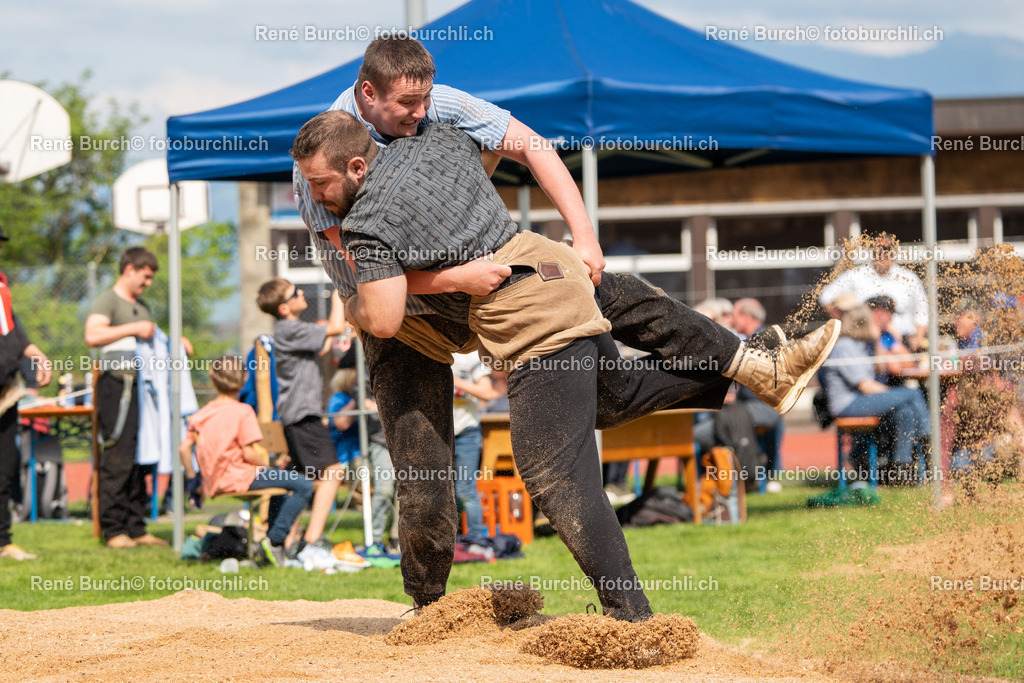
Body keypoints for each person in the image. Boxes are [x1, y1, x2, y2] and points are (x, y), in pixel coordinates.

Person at [292, 111, 840, 620]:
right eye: (311, 185)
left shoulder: (424, 126)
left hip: (514, 299)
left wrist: (359, 304)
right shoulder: (399, 147)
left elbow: (382, 312)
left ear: (361, 159)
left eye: (322, 184)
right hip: (508, 284)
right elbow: (514, 150)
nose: (315, 197)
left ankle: (630, 616)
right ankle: (755, 363)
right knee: (611, 386)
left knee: (552, 468)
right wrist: (552, 246)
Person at [84, 247, 178, 549]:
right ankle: (114, 530)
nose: (148, 282)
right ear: (129, 270)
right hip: (117, 388)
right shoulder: (108, 301)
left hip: (142, 390)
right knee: (118, 457)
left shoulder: (141, 305)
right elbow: (93, 335)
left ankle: (136, 527)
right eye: (146, 276)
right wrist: (134, 328)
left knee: (142, 456)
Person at [179, 356, 313, 566]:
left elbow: (184, 449)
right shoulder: (243, 411)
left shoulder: (201, 415)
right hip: (241, 476)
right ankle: (275, 540)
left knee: (280, 483)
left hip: (215, 481)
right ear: (243, 383)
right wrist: (265, 463)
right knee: (303, 484)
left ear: (213, 382)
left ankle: (269, 542)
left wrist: (193, 480)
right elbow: (249, 452)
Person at [256, 278, 348, 568]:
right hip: (302, 415)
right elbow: (334, 328)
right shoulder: (288, 328)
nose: (300, 293)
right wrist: (339, 296)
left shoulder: (288, 330)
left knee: (304, 479)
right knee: (333, 472)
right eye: (295, 293)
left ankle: (283, 542)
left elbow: (321, 348)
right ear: (284, 307)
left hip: (298, 415)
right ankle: (311, 541)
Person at [819, 305, 930, 483]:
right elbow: (866, 386)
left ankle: (900, 468)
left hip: (861, 400)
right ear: (862, 323)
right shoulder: (845, 345)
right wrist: (896, 395)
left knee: (906, 412)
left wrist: (878, 340)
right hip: (848, 404)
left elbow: (880, 368)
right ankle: (928, 439)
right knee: (912, 393)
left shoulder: (863, 344)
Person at [0, 223, 51, 560]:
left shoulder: (2, 282)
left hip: (5, 392)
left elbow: (11, 327)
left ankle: (2, 541)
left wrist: (34, 352)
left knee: (6, 465)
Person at [328, 367, 397, 553]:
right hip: (361, 451)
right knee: (384, 489)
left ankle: (398, 539)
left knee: (403, 492)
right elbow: (341, 422)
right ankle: (375, 540)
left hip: (399, 439)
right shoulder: (341, 398)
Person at [819, 234, 929, 351]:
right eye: (878, 250)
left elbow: (922, 312)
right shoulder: (857, 275)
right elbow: (825, 298)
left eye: (887, 251)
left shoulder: (908, 278)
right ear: (872, 252)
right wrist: (847, 324)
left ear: (894, 253)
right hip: (867, 344)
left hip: (903, 342)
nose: (882, 255)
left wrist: (917, 340)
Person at [451, 350, 500, 537]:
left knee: (465, 490)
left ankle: (476, 539)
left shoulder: (471, 356)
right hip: (437, 433)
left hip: (466, 433)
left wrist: (455, 381)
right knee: (443, 491)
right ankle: (450, 542)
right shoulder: (432, 348)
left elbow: (488, 392)